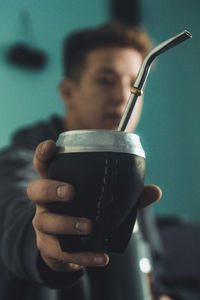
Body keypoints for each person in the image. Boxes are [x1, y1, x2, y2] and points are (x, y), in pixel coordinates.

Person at [0, 22, 173, 300]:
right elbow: (15, 214)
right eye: (105, 80)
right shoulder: (20, 159)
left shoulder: (128, 166)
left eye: (134, 83)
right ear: (68, 92)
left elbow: (151, 275)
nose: (122, 96)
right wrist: (46, 246)